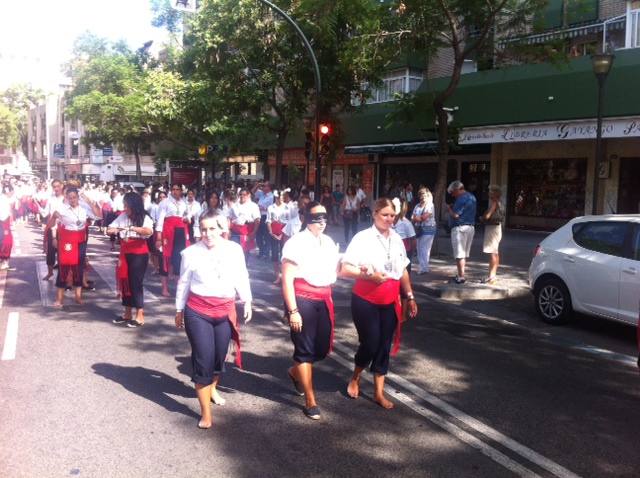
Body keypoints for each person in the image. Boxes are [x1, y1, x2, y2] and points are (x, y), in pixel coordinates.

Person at [175, 210, 253, 429]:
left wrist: (247, 300)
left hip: (225, 309)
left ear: (223, 229)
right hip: (198, 311)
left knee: (219, 358)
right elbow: (183, 283)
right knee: (204, 359)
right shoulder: (189, 253)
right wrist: (179, 310)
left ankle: (212, 388)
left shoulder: (234, 250)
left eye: (212, 229)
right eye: (204, 229)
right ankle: (206, 414)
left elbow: (241, 275)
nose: (208, 234)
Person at [340, 198, 418, 409]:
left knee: (384, 346)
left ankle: (378, 393)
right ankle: (356, 376)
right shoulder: (362, 238)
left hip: (390, 300)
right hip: (365, 299)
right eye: (385, 215)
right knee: (371, 342)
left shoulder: (397, 239)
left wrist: (409, 296)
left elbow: (402, 270)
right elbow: (345, 270)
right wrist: (369, 277)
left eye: (392, 215)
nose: (389, 219)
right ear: (374, 214)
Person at [281, 202, 340, 420]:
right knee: (304, 349)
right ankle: (310, 400)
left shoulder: (329, 242)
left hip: (323, 298)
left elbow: (336, 270)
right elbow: (287, 278)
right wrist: (292, 310)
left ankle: (294, 371)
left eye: (325, 217)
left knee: (321, 349)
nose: (322, 222)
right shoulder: (296, 242)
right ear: (307, 218)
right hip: (303, 298)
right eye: (317, 217)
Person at [47, 187, 101, 307]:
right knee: (64, 268)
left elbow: (98, 216)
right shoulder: (61, 208)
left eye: (74, 197)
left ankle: (78, 296)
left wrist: (89, 202)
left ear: (78, 197)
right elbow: (51, 225)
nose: (72, 200)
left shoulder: (84, 208)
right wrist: (54, 217)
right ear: (66, 198)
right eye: (69, 197)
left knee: (79, 267)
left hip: (80, 241)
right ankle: (59, 299)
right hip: (67, 242)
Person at [107, 192, 154, 327]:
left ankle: (140, 315)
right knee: (125, 281)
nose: (125, 208)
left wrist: (133, 228)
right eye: (124, 205)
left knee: (135, 283)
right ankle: (127, 313)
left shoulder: (144, 217)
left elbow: (148, 231)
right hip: (125, 251)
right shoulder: (123, 216)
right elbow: (111, 227)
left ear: (134, 205)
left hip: (139, 252)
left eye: (127, 206)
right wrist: (112, 230)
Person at [156, 183, 190, 297]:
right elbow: (160, 220)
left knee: (179, 259)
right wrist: (159, 237)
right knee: (165, 258)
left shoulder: (184, 202)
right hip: (168, 232)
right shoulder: (164, 202)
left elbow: (187, 215)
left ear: (181, 191)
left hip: (180, 232)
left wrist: (187, 219)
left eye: (178, 189)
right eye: (173, 189)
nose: (175, 191)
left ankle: (178, 287)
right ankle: (164, 288)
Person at [446, 180, 477, 284]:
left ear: (457, 189)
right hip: (470, 227)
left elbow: (455, 215)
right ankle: (461, 274)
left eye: (453, 192)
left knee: (459, 254)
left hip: (460, 228)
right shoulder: (472, 197)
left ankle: (461, 277)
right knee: (464, 253)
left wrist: (449, 209)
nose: (453, 195)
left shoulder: (460, 199)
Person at [41, 179, 65, 281]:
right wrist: (38, 208)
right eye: (54, 187)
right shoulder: (51, 199)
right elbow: (45, 212)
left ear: (62, 186)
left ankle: (63, 275)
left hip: (63, 228)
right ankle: (50, 273)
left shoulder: (66, 198)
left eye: (58, 186)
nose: (56, 188)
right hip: (52, 227)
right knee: (50, 252)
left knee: (63, 252)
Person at [481, 186, 505, 285]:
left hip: (492, 229)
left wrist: (482, 217)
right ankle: (493, 275)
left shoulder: (494, 203)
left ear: (495, 194)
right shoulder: (501, 203)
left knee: (492, 253)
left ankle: (492, 276)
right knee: (495, 252)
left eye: (490, 192)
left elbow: (487, 216)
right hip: (497, 228)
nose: (489, 193)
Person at [229, 188, 260, 262]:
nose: (242, 196)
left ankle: (244, 267)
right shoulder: (235, 205)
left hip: (247, 230)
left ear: (249, 195)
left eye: (244, 195)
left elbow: (257, 220)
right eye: (240, 194)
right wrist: (229, 230)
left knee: (245, 251)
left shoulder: (253, 206)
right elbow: (230, 218)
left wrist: (254, 232)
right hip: (235, 230)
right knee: (234, 249)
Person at [411, 188, 437, 275]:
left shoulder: (430, 205)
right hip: (418, 229)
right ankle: (423, 267)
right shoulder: (417, 206)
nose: (423, 197)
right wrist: (417, 218)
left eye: (425, 195)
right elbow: (413, 218)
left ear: (428, 196)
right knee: (419, 248)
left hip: (428, 229)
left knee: (424, 249)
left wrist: (417, 218)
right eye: (421, 195)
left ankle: (424, 268)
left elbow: (423, 218)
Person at [266, 190, 288, 284]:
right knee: (275, 254)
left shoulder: (287, 207)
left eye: (282, 197)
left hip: (285, 231)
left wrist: (284, 233)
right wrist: (271, 232)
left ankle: (285, 275)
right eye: (279, 197)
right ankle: (277, 275)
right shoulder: (271, 207)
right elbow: (268, 221)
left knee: (284, 254)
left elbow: (290, 220)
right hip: (274, 231)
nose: (281, 199)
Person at [256, 182, 274, 259]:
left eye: (264, 186)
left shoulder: (272, 197)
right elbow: (252, 192)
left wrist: (262, 207)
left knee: (266, 236)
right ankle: (261, 251)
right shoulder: (262, 195)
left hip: (266, 216)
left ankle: (266, 253)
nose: (263, 187)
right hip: (259, 216)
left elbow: (271, 208)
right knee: (258, 235)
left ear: (269, 187)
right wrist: (258, 185)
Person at [0, 184, 14, 270]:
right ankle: (4, 261)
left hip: (5, 222)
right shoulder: (4, 200)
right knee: (7, 241)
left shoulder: (5, 199)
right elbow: (4, 215)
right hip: (4, 222)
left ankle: (4, 261)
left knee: (6, 241)